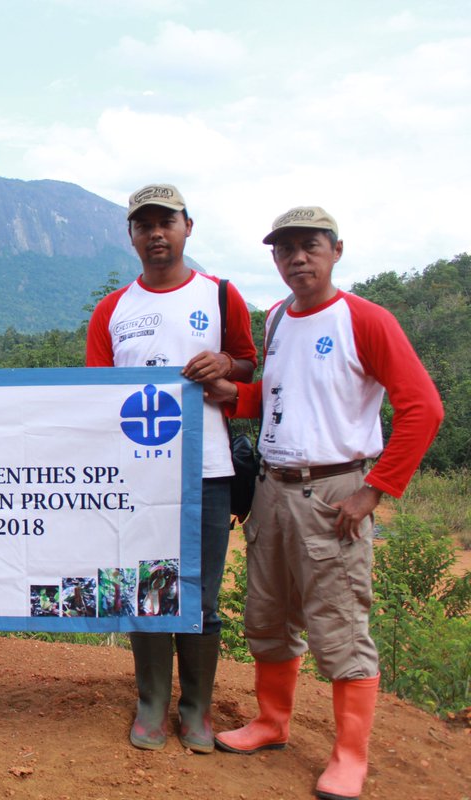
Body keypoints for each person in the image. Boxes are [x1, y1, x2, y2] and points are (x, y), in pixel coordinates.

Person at [206, 207, 442, 800]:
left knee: (338, 624)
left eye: (309, 246)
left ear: (336, 250)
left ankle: (350, 755)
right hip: (272, 489)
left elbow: (423, 407)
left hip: (335, 491)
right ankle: (271, 722)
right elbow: (282, 400)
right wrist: (234, 394)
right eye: (285, 249)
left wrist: (375, 489)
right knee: (267, 614)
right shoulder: (276, 318)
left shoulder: (365, 319)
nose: (297, 259)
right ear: (274, 258)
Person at [86, 184, 257, 753]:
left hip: (208, 469)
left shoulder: (221, 295)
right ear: (131, 236)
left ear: (188, 227)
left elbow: (249, 366)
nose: (156, 233)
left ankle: (197, 710)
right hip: (138, 475)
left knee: (202, 594)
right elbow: (95, 392)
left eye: (167, 222)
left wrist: (225, 362)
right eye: (144, 225)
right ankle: (152, 703)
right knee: (149, 588)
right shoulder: (112, 309)